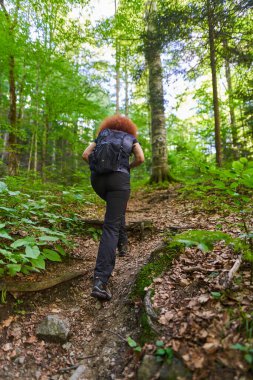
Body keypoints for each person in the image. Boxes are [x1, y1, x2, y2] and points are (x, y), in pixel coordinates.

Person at [82, 115, 145, 301]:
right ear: (129, 128)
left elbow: (85, 155)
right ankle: (100, 282)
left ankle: (123, 245)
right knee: (111, 225)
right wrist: (128, 167)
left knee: (115, 212)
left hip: (98, 180)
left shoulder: (102, 135)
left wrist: (95, 168)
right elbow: (140, 158)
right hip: (119, 180)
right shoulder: (131, 138)